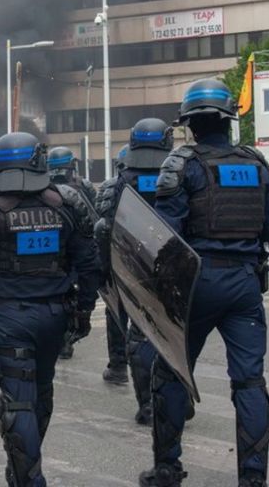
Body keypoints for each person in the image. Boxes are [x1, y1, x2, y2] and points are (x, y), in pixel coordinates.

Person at [0, 131, 102, 487]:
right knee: (41, 393)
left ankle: (29, 478)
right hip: (56, 316)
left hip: (11, 318)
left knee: (17, 403)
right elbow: (91, 265)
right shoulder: (68, 202)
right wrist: (84, 312)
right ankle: (24, 469)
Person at [144, 79, 269, 487]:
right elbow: (268, 230)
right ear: (227, 120)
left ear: (191, 124)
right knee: (250, 382)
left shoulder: (181, 164)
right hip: (245, 284)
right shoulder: (256, 163)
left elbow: (165, 237)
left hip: (197, 283)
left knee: (172, 373)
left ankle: (167, 467)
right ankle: (253, 478)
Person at [95, 118, 174, 424]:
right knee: (174, 336)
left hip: (131, 266)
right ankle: (177, 398)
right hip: (172, 266)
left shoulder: (116, 184)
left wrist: (104, 272)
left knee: (138, 337)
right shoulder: (181, 175)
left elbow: (103, 228)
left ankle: (148, 405)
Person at [47, 146, 97, 362]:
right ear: (71, 165)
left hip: (56, 250)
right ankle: (67, 338)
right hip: (78, 248)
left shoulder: (44, 187)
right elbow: (95, 215)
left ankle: (60, 338)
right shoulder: (83, 186)